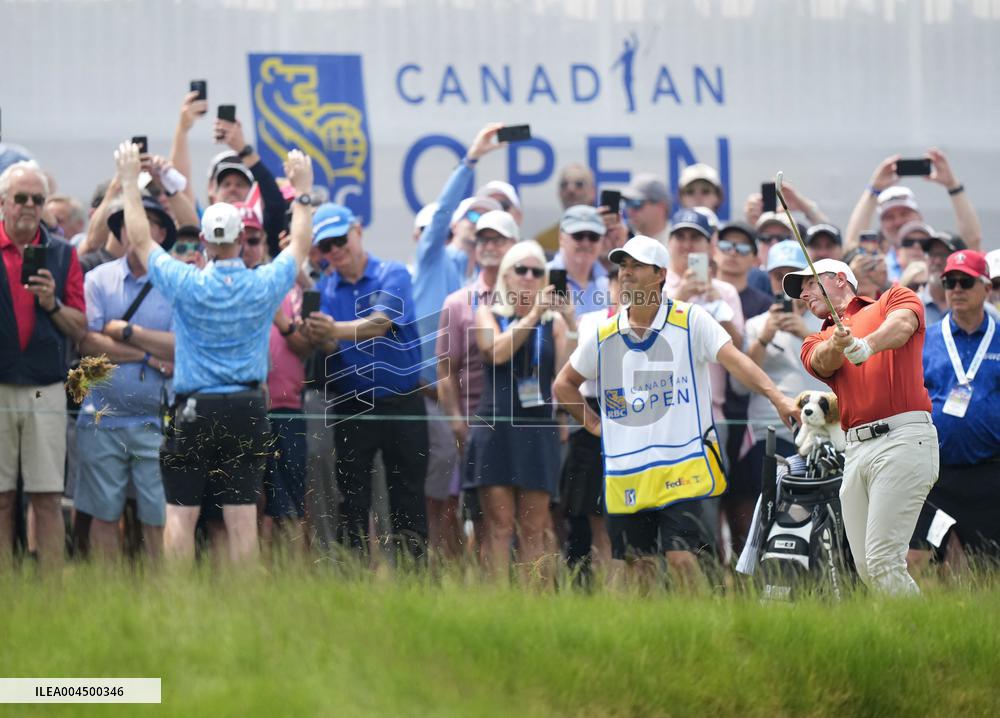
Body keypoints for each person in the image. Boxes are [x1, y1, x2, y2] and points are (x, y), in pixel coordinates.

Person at [554, 236, 798, 589]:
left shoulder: (690, 319)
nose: (626, 274)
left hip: (681, 466)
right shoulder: (604, 332)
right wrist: (594, 426)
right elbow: (564, 385)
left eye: (636, 266)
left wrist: (778, 398)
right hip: (628, 471)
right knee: (640, 569)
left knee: (683, 561)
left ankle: (697, 637)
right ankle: (652, 641)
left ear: (660, 274)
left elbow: (737, 362)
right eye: (623, 267)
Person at [114, 141, 314, 565]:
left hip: (194, 407)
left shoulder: (187, 282)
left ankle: (178, 606)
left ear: (203, 240)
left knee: (180, 514)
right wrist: (302, 191)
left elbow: (140, 239)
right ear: (243, 238)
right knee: (242, 515)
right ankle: (246, 607)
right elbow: (299, 246)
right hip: (247, 406)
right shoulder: (263, 284)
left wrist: (131, 182)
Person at [787, 258, 937, 594]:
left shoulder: (892, 299)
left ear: (839, 279)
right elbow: (822, 360)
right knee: (868, 568)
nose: (803, 294)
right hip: (855, 450)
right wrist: (839, 343)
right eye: (800, 291)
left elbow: (901, 327)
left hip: (903, 437)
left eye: (810, 283)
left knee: (883, 561)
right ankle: (904, 639)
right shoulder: (816, 338)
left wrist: (866, 344)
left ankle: (921, 641)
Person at [303, 203, 429, 560]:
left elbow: (379, 325)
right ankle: (352, 579)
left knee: (408, 497)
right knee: (352, 499)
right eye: (325, 247)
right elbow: (329, 345)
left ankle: (413, 584)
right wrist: (320, 334)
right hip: (352, 404)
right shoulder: (327, 288)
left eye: (339, 240)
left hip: (402, 400)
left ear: (357, 231)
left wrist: (331, 329)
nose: (335, 251)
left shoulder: (394, 273)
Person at [74, 195, 177, 562]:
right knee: (104, 514)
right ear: (121, 231)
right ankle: (107, 597)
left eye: (148, 223)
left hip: (155, 419)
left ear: (162, 235)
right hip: (101, 416)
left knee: (157, 515)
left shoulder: (176, 282)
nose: (139, 230)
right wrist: (147, 354)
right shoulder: (97, 279)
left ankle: (161, 598)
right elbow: (87, 342)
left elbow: (179, 348)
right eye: (133, 222)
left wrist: (126, 331)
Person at [469, 240, 576, 584]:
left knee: (535, 526)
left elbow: (567, 373)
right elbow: (494, 352)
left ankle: (534, 605)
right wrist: (531, 315)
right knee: (498, 525)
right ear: (505, 275)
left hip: (537, 427)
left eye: (537, 272)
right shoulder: (487, 312)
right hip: (497, 426)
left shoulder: (553, 323)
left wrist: (571, 321)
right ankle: (496, 604)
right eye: (521, 270)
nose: (529, 278)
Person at [0, 160, 87, 571]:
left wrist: (52, 303)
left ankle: (53, 596)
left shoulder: (64, 254)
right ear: (3, 203)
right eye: (21, 198)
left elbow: (81, 327)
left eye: (38, 199)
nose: (30, 206)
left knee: (48, 496)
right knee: (0, 498)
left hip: (44, 387)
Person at [729, 241, 828, 554]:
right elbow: (740, 386)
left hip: (823, 437)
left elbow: (841, 376)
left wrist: (805, 334)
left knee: (816, 517)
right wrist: (762, 339)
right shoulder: (756, 324)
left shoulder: (826, 322)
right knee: (765, 517)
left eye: (791, 275)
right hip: (769, 437)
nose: (783, 284)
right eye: (776, 276)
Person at [909, 251, 1000, 572]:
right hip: (935, 474)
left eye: (966, 281)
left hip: (989, 473)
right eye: (950, 282)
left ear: (986, 288)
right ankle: (911, 622)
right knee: (917, 558)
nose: (956, 289)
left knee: (985, 570)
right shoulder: (926, 340)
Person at [436, 210, 519, 560]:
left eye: (498, 239)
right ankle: (483, 595)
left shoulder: (533, 297)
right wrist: (456, 422)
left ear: (514, 245)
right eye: (484, 239)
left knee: (535, 518)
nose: (490, 246)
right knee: (482, 519)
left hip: (525, 424)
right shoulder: (459, 303)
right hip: (477, 426)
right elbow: (445, 369)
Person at [844, 150, 983, 276]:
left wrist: (953, 186)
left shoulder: (942, 260)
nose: (898, 222)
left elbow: (971, 243)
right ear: (881, 225)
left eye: (905, 214)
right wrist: (873, 190)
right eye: (889, 217)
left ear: (919, 217)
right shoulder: (880, 267)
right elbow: (852, 248)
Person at [547, 205, 610, 316]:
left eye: (593, 236)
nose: (586, 243)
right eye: (578, 235)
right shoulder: (539, 277)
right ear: (561, 238)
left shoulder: (609, 284)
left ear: (602, 240)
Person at [534, 164, 596, 254]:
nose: (571, 189)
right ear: (559, 193)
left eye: (579, 184)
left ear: (592, 192)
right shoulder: (542, 242)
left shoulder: (607, 238)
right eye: (564, 185)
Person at [622, 174, 670, 243]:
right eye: (627, 203)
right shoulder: (624, 243)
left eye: (636, 203)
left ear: (661, 206)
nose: (630, 211)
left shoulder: (681, 242)